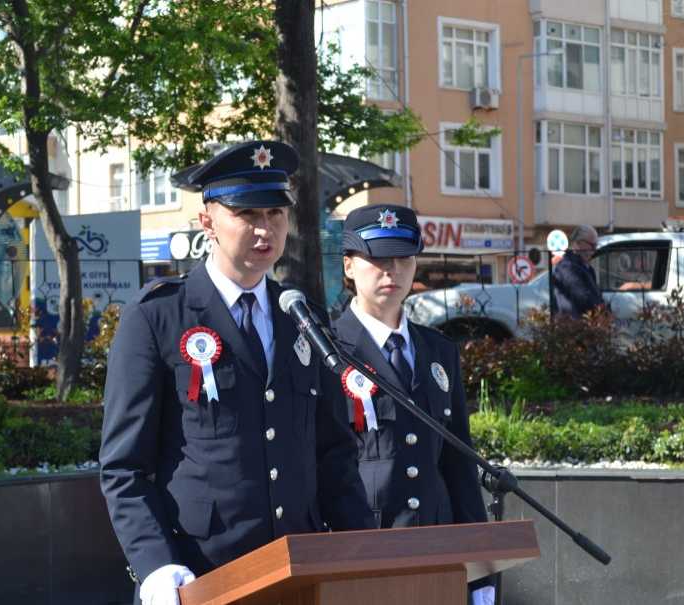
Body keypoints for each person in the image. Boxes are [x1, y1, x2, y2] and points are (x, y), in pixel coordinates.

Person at [100, 140, 374, 605]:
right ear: (207, 219)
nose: (265, 229)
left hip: (298, 571)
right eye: (248, 214)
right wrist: (155, 565)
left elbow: (332, 454)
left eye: (275, 214)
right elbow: (124, 467)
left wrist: (367, 553)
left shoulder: (300, 315)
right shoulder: (158, 317)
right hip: (201, 574)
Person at [331, 204, 495, 605]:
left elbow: (459, 460)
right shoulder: (326, 347)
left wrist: (479, 572)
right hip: (359, 550)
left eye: (404, 258)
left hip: (436, 549)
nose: (393, 270)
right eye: (379, 258)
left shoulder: (438, 350)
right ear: (349, 265)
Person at [552, 224, 604, 319]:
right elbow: (582, 296)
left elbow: (595, 295)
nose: (594, 250)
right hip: (573, 326)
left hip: (587, 323)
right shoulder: (567, 266)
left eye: (596, 246)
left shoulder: (587, 268)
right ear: (578, 243)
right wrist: (600, 310)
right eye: (592, 245)